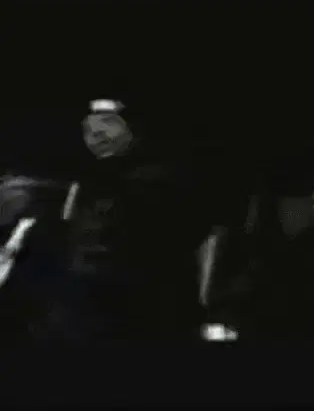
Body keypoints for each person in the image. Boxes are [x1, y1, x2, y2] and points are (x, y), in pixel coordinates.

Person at [3, 98, 219, 341]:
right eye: (88, 127)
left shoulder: (164, 183)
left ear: (136, 129)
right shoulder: (86, 182)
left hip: (140, 312)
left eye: (108, 122)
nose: (96, 133)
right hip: (82, 309)